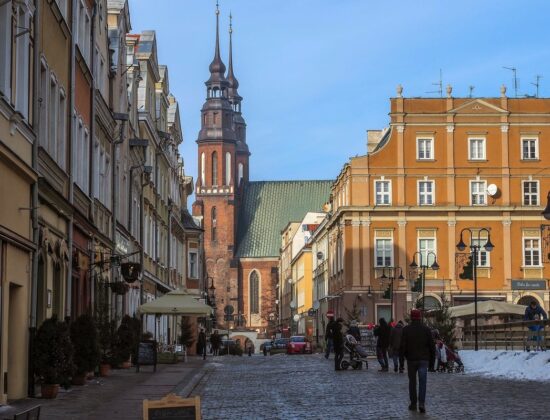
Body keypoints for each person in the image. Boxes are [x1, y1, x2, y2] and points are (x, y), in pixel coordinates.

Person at [400, 309, 435, 414]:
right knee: (423, 382)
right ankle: (421, 403)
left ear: (411, 317)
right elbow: (432, 347)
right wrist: (432, 364)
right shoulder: (426, 329)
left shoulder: (406, 330)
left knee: (412, 382)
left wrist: (402, 361)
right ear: (420, 317)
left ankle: (413, 403)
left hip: (411, 360)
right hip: (424, 360)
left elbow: (403, 347)